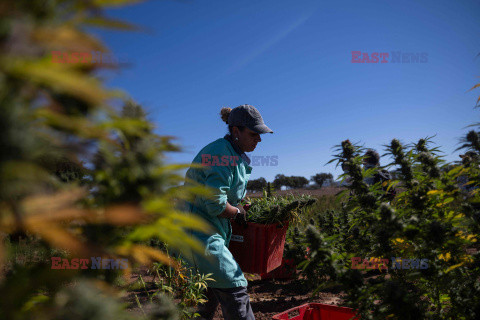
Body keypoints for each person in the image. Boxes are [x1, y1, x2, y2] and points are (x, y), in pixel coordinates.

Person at [183, 104, 273, 320]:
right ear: (236, 131)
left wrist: (239, 206)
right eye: (254, 134)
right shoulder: (220, 153)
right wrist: (237, 212)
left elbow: (225, 195)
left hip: (211, 233)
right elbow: (215, 204)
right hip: (200, 235)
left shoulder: (232, 154)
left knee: (207, 296)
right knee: (234, 286)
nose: (258, 140)